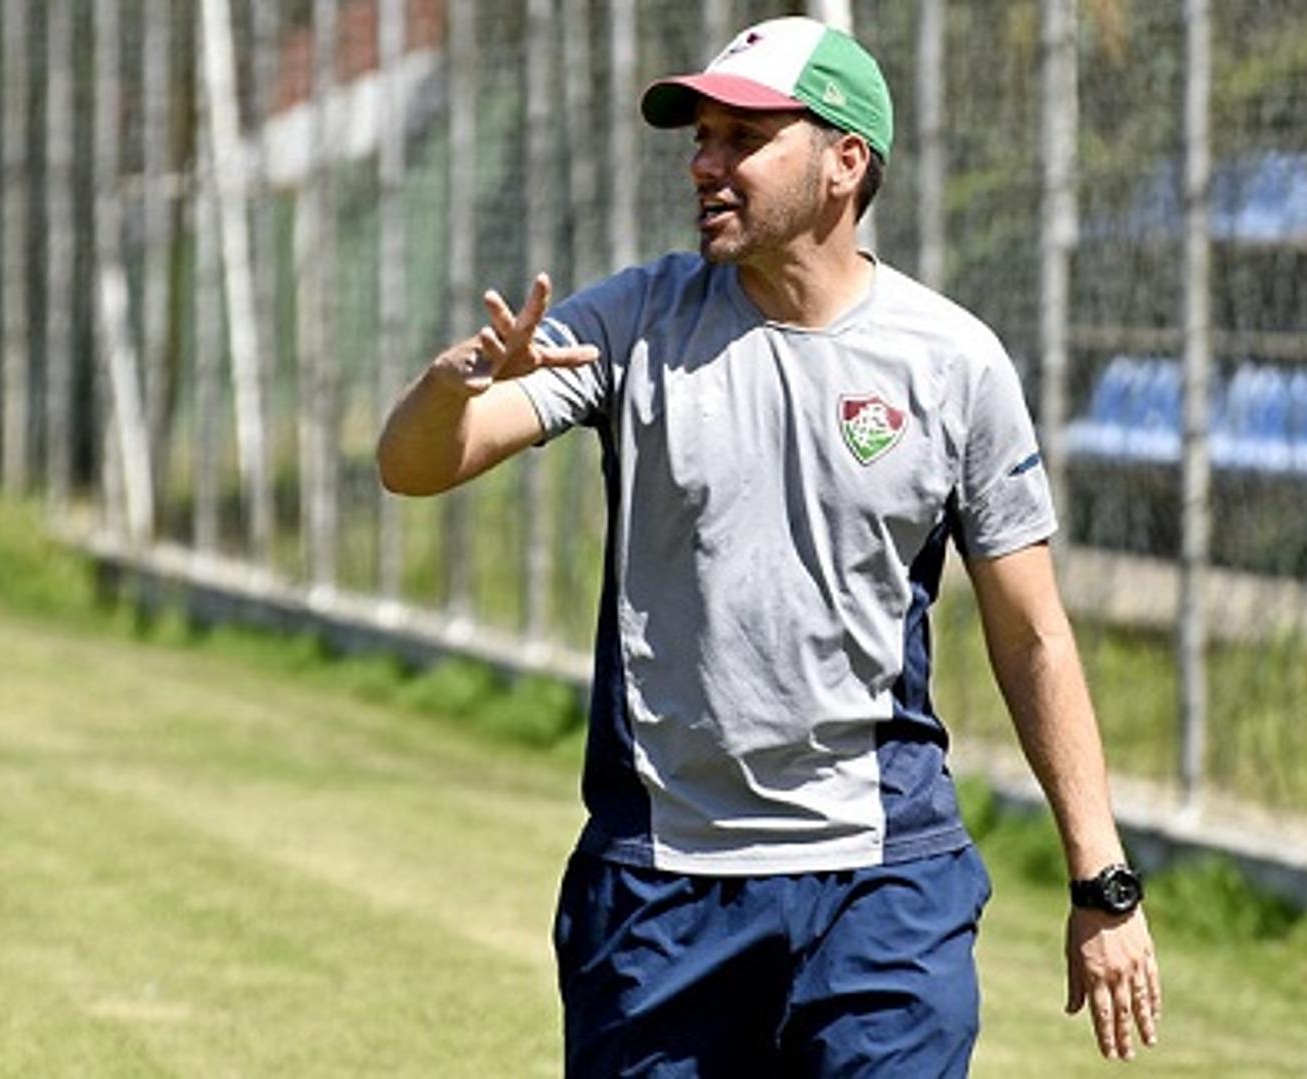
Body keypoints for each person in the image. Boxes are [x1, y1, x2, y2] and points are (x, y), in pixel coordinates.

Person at [378, 15, 1160, 1074]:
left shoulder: (955, 363)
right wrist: (452, 383)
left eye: (743, 138)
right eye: (701, 138)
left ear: (845, 161)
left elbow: (1033, 635)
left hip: (885, 880)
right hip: (661, 885)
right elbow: (421, 462)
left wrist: (1101, 881)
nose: (706, 163)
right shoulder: (636, 321)